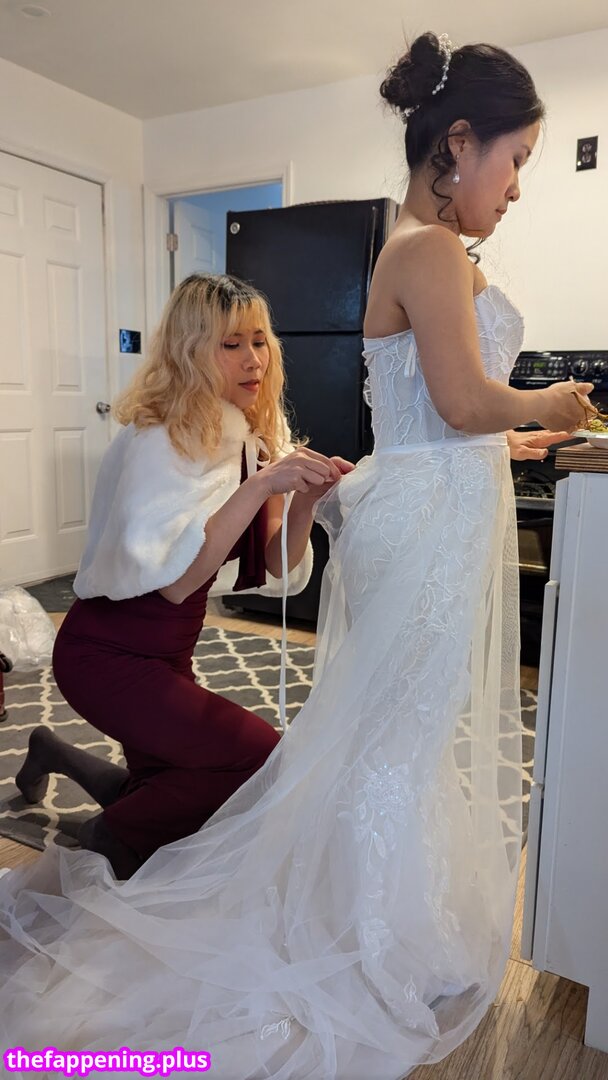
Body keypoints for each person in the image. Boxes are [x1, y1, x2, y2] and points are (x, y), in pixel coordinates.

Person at [0, 32, 595, 1080]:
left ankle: (365, 908)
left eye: (260, 341)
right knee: (361, 744)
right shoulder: (424, 252)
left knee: (395, 735)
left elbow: (432, 427)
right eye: (515, 161)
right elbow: (459, 401)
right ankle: (322, 917)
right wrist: (542, 403)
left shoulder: (411, 264)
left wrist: (500, 443)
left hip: (412, 516)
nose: (515, 188)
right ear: (459, 143)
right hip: (146, 640)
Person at [14, 272, 351, 879]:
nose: (253, 359)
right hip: (105, 656)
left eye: (259, 341)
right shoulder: (158, 440)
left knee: (173, 786)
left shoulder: (250, 436)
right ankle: (103, 842)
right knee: (257, 758)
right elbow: (174, 581)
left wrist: (305, 500)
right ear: (190, 351)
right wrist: (260, 487)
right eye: (230, 344)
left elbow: (277, 564)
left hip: (167, 655)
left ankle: (52, 751)